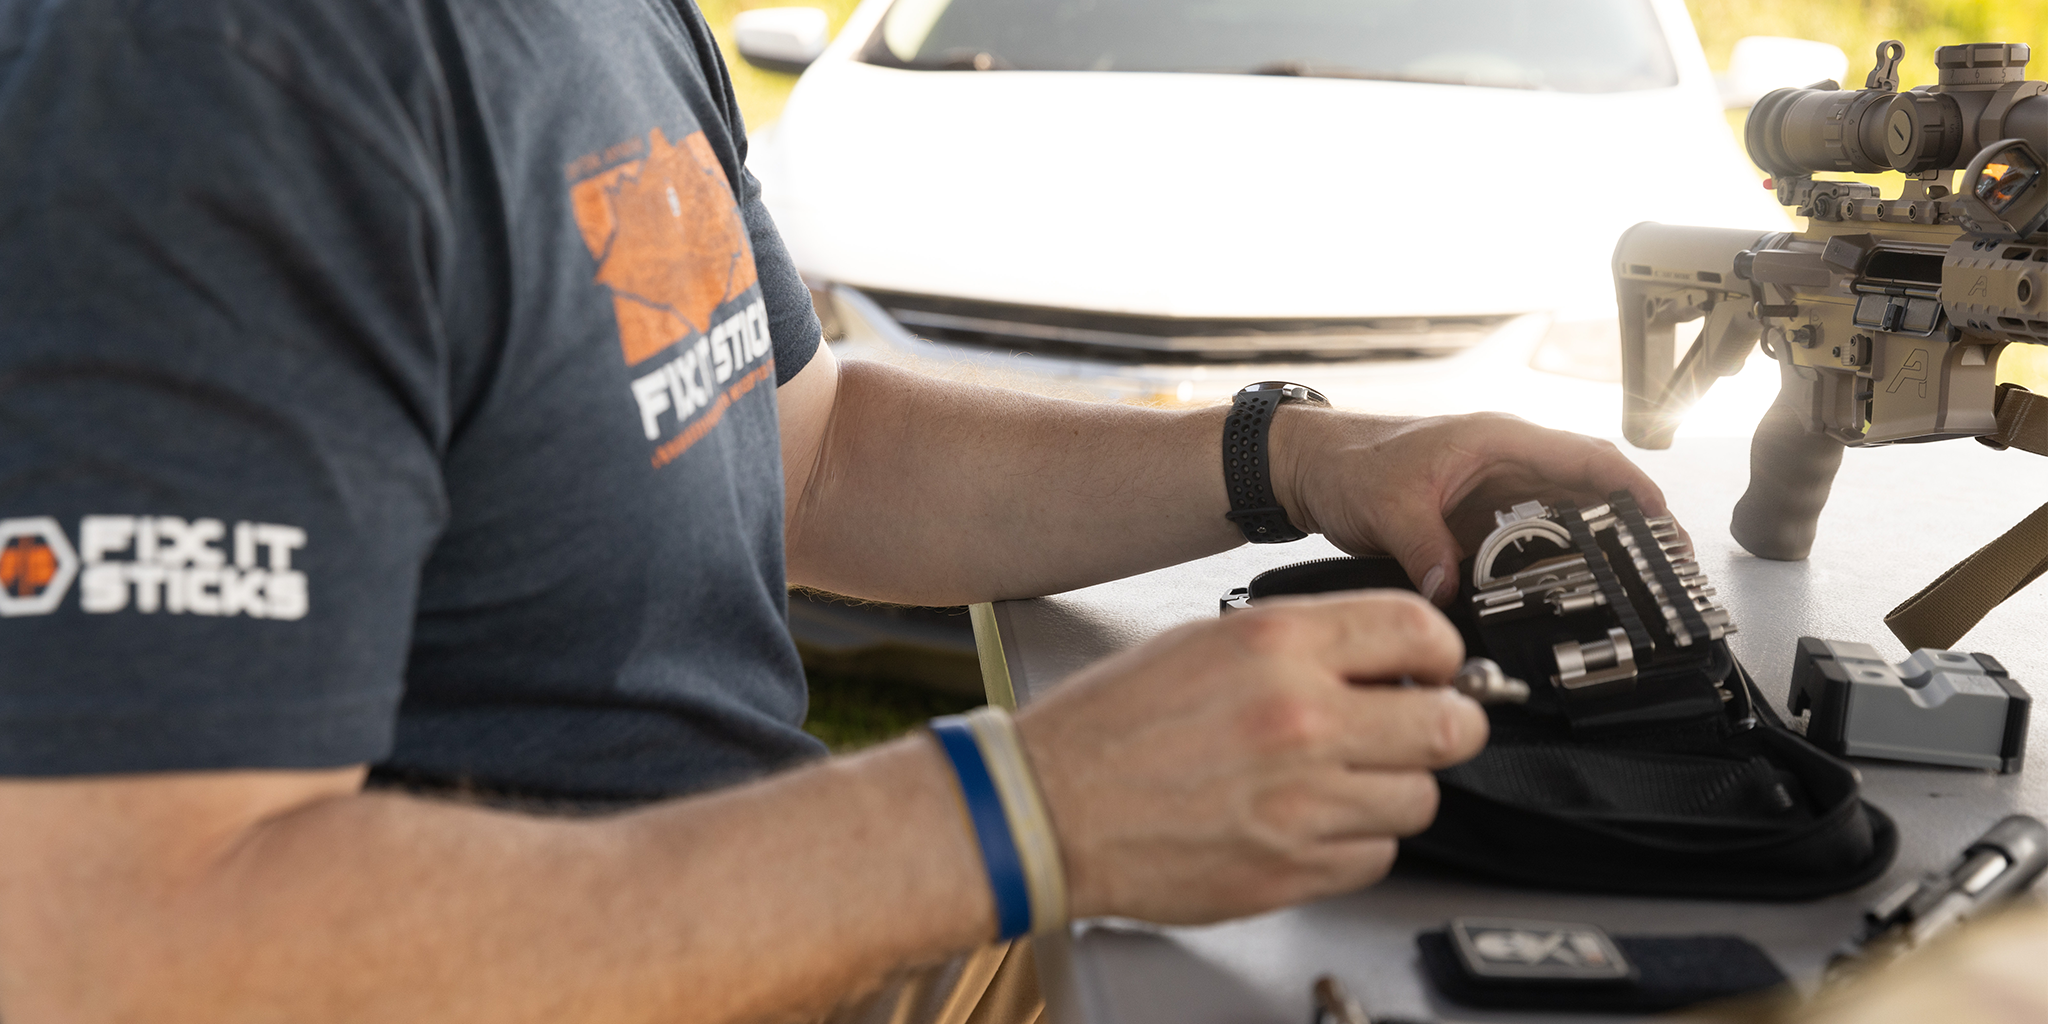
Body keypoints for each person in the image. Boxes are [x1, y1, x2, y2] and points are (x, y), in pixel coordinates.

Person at [0, 0, 1668, 1021]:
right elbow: (117, 952)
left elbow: (810, 450)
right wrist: (1031, 810)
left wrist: (1290, 458)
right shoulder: (205, 70)